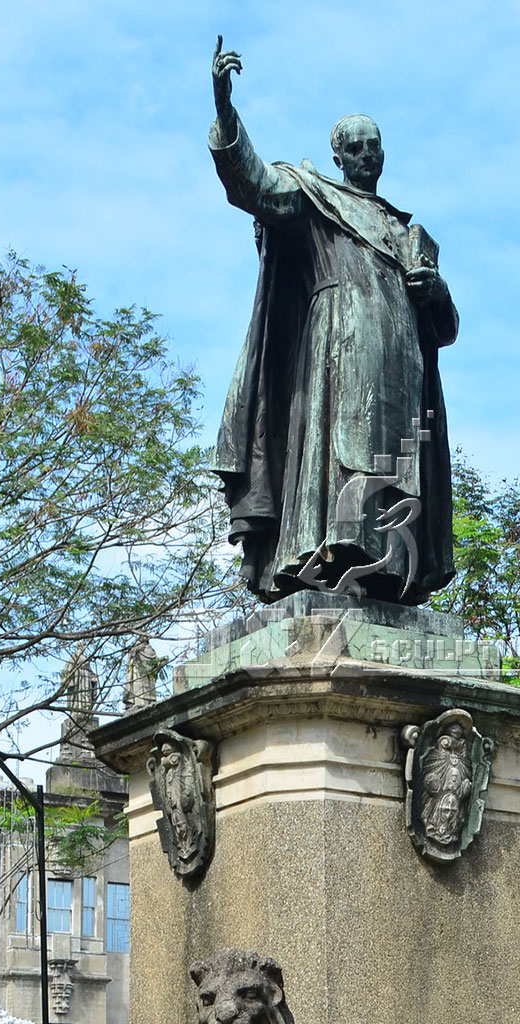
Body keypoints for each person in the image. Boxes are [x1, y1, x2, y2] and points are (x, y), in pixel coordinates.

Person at [209, 37, 458, 605]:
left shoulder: (410, 234)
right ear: (340, 156)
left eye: (377, 146)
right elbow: (255, 185)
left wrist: (436, 291)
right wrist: (225, 111)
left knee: (397, 462)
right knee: (338, 453)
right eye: (359, 147)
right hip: (338, 350)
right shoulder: (317, 198)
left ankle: (391, 569)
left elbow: (445, 329)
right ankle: (327, 557)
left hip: (402, 368)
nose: (370, 154)